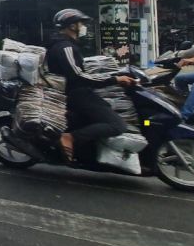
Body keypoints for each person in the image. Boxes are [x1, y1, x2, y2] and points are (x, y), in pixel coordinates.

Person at [45, 9, 137, 161]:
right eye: (81, 23)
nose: (83, 27)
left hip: (76, 92)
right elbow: (78, 75)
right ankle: (70, 137)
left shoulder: (66, 45)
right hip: (77, 94)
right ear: (72, 26)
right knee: (117, 125)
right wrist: (114, 80)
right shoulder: (65, 47)